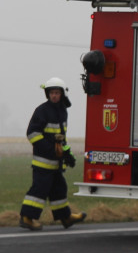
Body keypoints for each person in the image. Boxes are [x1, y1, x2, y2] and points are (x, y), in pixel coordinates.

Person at [19, 78, 87, 231]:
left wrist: (67, 154)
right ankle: (27, 218)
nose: (54, 96)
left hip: (56, 162)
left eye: (57, 93)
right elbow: (32, 134)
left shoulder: (62, 111)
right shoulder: (42, 110)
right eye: (51, 93)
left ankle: (65, 217)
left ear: (62, 94)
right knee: (39, 190)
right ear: (47, 94)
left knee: (59, 189)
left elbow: (61, 137)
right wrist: (50, 150)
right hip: (43, 162)